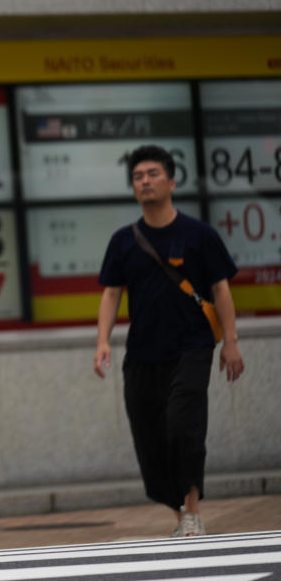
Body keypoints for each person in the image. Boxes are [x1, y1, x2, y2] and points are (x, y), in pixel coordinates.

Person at [94, 145, 245, 539]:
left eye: (153, 174)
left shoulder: (199, 235)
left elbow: (220, 289)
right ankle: (181, 517)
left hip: (192, 347)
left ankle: (193, 509)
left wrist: (230, 341)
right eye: (138, 176)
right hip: (142, 354)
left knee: (184, 423)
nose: (145, 181)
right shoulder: (123, 241)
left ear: (172, 181)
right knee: (150, 439)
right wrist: (102, 342)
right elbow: (111, 294)